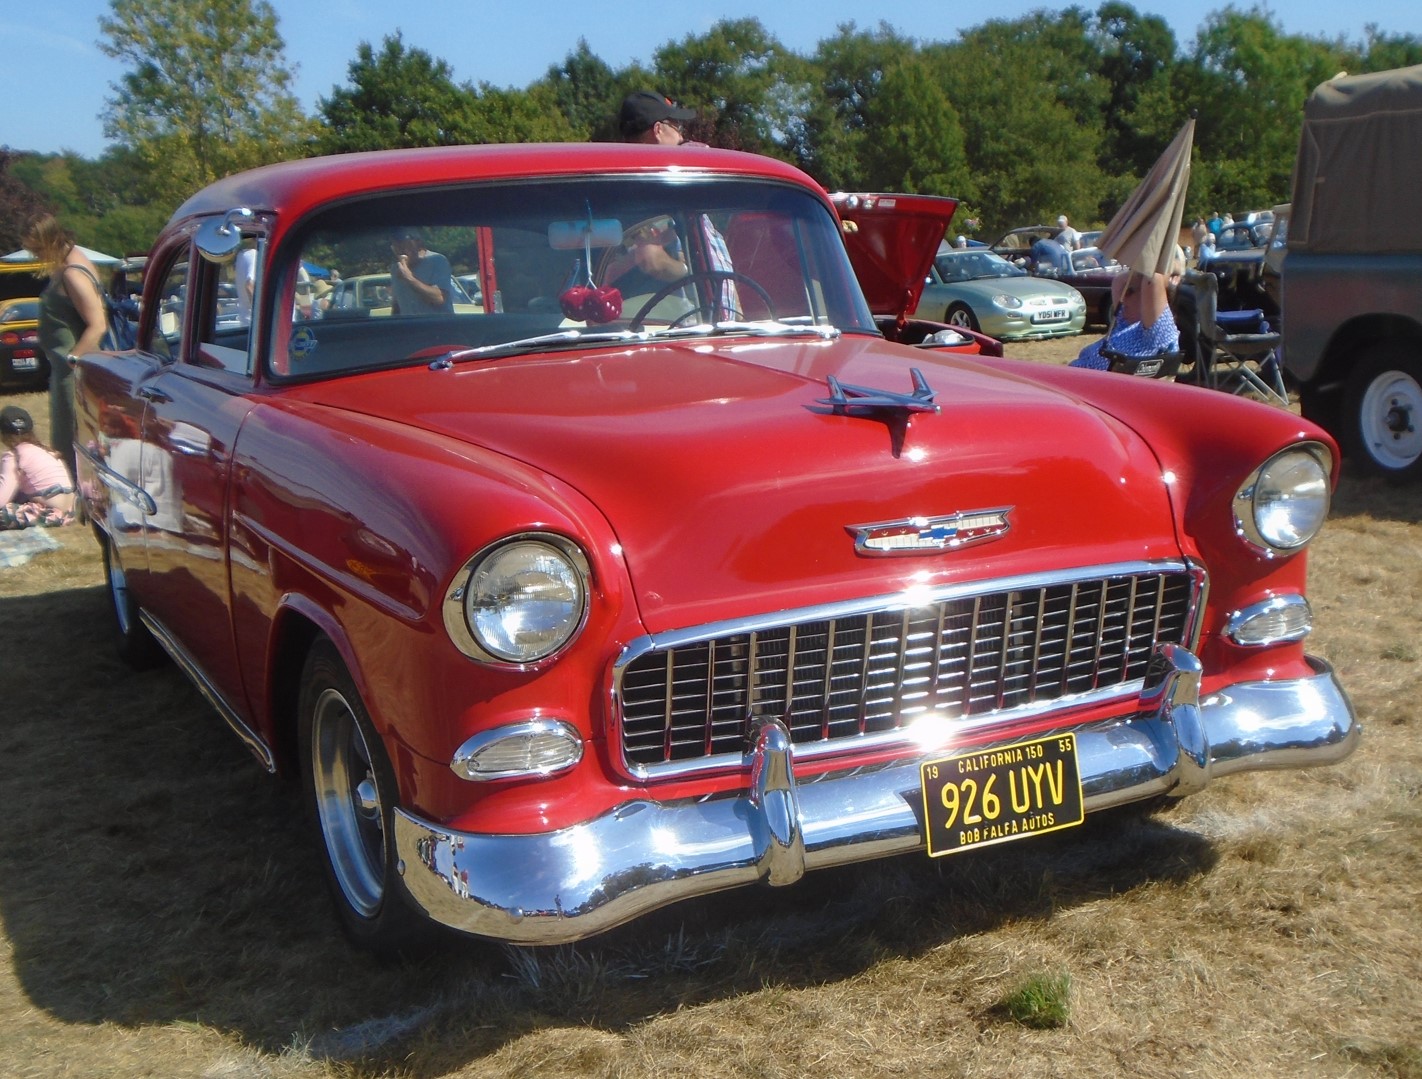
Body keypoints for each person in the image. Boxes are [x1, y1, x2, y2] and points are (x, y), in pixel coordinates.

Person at [22, 215, 108, 480]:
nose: (33, 253)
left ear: (47, 240)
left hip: (73, 372)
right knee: (66, 437)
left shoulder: (73, 273)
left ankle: (76, 492)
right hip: (63, 370)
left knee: (72, 437)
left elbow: (98, 324)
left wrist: (73, 358)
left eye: (35, 248)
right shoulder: (67, 266)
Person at [1070, 264, 1180, 372]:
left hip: (1087, 385)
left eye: (1130, 291)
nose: (1123, 298)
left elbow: (1154, 278)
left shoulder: (1158, 333)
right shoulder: (1126, 324)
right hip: (1073, 378)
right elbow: (1118, 281)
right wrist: (1137, 273)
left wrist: (1152, 263)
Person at [0, 405, 76, 529]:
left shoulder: (14, 456)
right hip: (70, 512)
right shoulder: (45, 451)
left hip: (49, 514)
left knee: (4, 513)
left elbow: (2, 500)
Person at [389, 229, 454, 315]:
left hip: (436, 325)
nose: (400, 251)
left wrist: (410, 279)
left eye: (404, 245)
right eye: (395, 247)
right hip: (409, 326)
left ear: (418, 242)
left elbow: (439, 298)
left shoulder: (437, 260)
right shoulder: (395, 268)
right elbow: (397, 305)